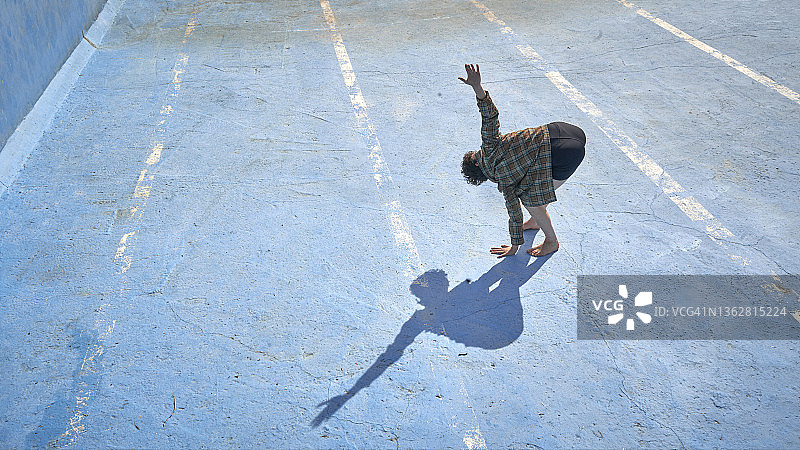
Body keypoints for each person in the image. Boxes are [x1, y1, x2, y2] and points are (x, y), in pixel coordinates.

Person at [458, 64, 585, 258]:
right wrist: (477, 87)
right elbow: (489, 115)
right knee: (535, 188)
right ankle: (536, 220)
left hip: (567, 154)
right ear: (477, 162)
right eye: (476, 154)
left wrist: (514, 247)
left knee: (529, 199)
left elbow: (514, 214)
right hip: (563, 130)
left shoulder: (505, 182)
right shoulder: (490, 144)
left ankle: (551, 241)